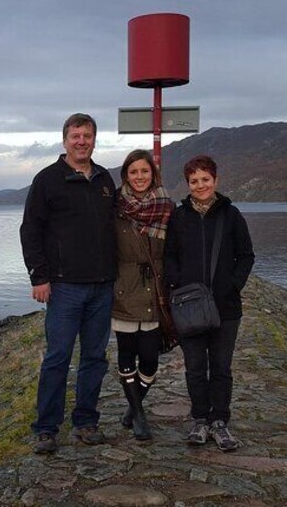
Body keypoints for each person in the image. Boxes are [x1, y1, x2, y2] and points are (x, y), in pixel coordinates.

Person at [20, 113, 117, 454]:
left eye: (87, 136)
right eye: (75, 136)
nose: (81, 141)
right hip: (63, 288)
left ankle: (86, 421)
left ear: (94, 139)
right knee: (58, 358)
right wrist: (39, 276)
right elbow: (30, 230)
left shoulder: (105, 180)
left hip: (102, 287)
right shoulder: (47, 180)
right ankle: (46, 428)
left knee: (94, 357)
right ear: (64, 140)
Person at [164, 154, 255, 449]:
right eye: (194, 181)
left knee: (221, 367)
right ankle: (200, 420)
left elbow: (246, 256)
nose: (200, 185)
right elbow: (170, 256)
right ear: (187, 184)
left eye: (205, 179)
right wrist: (177, 284)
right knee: (194, 367)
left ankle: (220, 422)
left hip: (225, 308)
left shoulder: (231, 215)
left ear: (215, 180)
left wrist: (232, 287)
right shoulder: (179, 217)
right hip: (189, 308)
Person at [112, 149, 174, 441]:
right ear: (126, 175)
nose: (139, 177)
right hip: (123, 287)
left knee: (150, 359)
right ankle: (138, 415)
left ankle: (133, 407)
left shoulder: (166, 206)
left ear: (153, 174)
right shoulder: (114, 206)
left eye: (144, 171)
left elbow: (176, 249)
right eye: (133, 172)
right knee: (126, 353)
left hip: (155, 289)